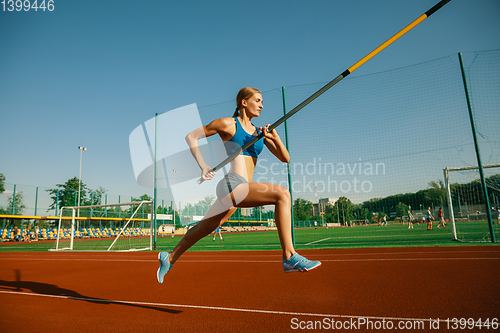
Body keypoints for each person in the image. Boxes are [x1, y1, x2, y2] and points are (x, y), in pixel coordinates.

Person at [157, 87, 321, 283]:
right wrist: (203, 165)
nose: (262, 105)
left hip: (242, 191)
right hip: (231, 185)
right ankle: (289, 256)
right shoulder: (228, 124)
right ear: (244, 102)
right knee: (282, 194)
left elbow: (285, 158)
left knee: (205, 228)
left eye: (262, 102)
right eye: (258, 100)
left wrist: (274, 138)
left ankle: (170, 257)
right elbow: (191, 136)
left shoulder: (259, 133)